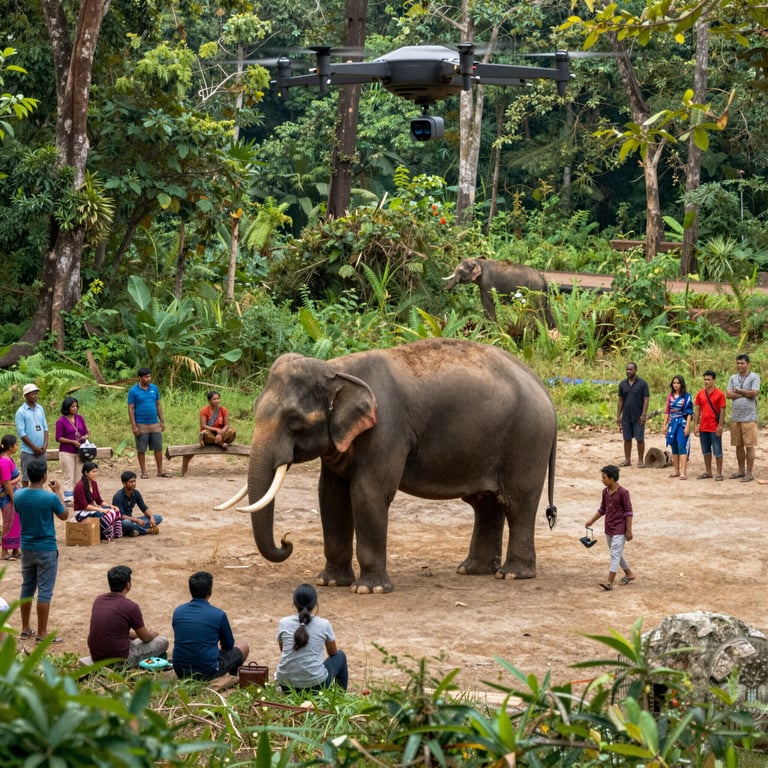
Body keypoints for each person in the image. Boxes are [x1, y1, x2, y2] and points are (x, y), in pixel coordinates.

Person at [14, 459, 68, 642]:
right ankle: (42, 633)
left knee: (27, 587)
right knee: (45, 591)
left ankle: (25, 628)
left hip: (26, 547)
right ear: (45, 476)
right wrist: (58, 491)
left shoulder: (19, 495)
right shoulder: (50, 497)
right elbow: (64, 515)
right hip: (46, 548)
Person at [172, 571, 250, 680]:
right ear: (210, 592)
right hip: (207, 671)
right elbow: (228, 645)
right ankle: (231, 677)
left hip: (180, 670)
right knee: (243, 647)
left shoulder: (178, 611)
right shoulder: (219, 614)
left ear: (190, 590)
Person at [87, 565, 169, 667]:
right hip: (120, 660)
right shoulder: (131, 606)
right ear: (128, 585)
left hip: (97, 657)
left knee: (132, 640)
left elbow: (113, 630)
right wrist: (154, 633)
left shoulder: (99, 599)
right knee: (163, 641)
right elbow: (146, 638)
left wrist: (134, 635)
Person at [275, 583, 348, 692]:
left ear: (294, 603)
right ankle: (340, 697)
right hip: (315, 686)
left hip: (286, 685)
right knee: (340, 655)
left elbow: (284, 650)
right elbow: (333, 653)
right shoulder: (324, 624)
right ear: (315, 604)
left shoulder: (283, 623)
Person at [585, 464, 635, 592]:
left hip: (620, 528)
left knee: (614, 554)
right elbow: (602, 509)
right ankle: (629, 574)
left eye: (604, 478)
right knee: (616, 553)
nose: (602, 480)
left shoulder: (623, 493)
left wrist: (628, 530)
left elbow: (629, 513)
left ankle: (609, 582)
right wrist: (591, 521)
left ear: (612, 478)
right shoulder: (605, 492)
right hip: (608, 528)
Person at [127, 368, 169, 479]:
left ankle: (160, 471)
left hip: (155, 423)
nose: (148, 379)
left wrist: (162, 421)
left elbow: (158, 405)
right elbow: (131, 409)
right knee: (141, 449)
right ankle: (143, 471)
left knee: (158, 448)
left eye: (149, 376)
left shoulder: (154, 389)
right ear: (139, 378)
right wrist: (134, 426)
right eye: (145, 377)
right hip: (141, 424)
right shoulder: (133, 391)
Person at [726, 353, 760, 482]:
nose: (740, 365)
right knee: (738, 446)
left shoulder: (754, 377)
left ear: (748, 364)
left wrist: (738, 391)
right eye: (738, 363)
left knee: (749, 446)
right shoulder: (733, 378)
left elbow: (754, 393)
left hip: (749, 418)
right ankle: (741, 471)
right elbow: (728, 394)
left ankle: (749, 473)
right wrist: (745, 392)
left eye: (742, 363)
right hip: (735, 417)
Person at [73, 462, 123, 541]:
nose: (95, 474)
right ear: (86, 473)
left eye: (96, 471)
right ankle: (106, 535)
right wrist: (102, 510)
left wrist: (110, 506)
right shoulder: (79, 486)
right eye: (93, 472)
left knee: (115, 511)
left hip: (92, 510)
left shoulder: (94, 483)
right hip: (81, 513)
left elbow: (99, 501)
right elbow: (85, 506)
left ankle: (115, 533)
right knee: (106, 515)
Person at [54, 396, 90, 500]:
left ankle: (78, 496)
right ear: (67, 407)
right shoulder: (61, 421)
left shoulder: (80, 418)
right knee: (68, 474)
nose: (75, 408)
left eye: (76, 406)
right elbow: (58, 438)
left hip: (80, 451)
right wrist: (72, 442)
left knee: (79, 474)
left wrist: (84, 437)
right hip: (66, 452)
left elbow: (86, 432)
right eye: (72, 406)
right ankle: (68, 498)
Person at [693, 371, 726, 481]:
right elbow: (697, 410)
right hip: (704, 427)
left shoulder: (720, 394)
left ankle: (719, 473)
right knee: (705, 451)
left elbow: (722, 411)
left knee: (717, 451)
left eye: (709, 379)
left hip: (714, 426)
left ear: (714, 380)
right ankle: (708, 471)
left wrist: (720, 426)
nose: (706, 381)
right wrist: (696, 424)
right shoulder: (700, 394)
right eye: (705, 379)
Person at [15, 383, 48, 487]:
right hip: (28, 451)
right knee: (26, 477)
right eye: (32, 394)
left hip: (41, 450)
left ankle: (39, 495)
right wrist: (34, 447)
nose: (35, 396)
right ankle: (25, 498)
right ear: (26, 396)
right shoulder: (21, 412)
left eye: (36, 393)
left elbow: (45, 427)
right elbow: (22, 433)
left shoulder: (40, 408)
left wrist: (45, 444)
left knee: (42, 476)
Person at [616, 363, 649, 468]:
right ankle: (627, 460)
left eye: (631, 369)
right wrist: (618, 416)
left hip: (638, 416)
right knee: (627, 439)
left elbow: (646, 399)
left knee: (639, 439)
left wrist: (643, 414)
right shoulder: (622, 384)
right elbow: (620, 400)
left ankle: (640, 460)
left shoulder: (642, 384)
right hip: (626, 416)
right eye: (627, 369)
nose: (628, 371)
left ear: (636, 370)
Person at [111, 471, 163, 537]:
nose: (133, 484)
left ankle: (135, 530)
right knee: (126, 523)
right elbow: (120, 516)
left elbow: (144, 508)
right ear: (124, 483)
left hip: (133, 521)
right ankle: (146, 531)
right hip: (121, 523)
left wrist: (152, 517)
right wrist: (137, 520)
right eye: (131, 482)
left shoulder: (136, 493)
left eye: (134, 481)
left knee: (158, 517)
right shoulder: (118, 496)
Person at [663, 375, 694, 480]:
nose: (675, 385)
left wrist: (687, 426)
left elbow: (689, 412)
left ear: (682, 384)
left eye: (678, 383)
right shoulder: (670, 396)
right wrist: (664, 425)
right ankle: (676, 470)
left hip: (682, 423)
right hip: (672, 424)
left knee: (682, 446)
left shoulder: (687, 396)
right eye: (674, 383)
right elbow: (667, 411)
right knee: (674, 446)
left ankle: (683, 472)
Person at [0, 435, 21, 561]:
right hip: (7, 496)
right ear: (10, 447)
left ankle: (15, 548)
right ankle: (4, 551)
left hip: (13, 492)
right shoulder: (4, 462)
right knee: (9, 521)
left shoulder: (9, 459)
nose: (17, 446)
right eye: (16, 444)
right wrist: (14, 499)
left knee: (16, 520)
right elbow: (6, 483)